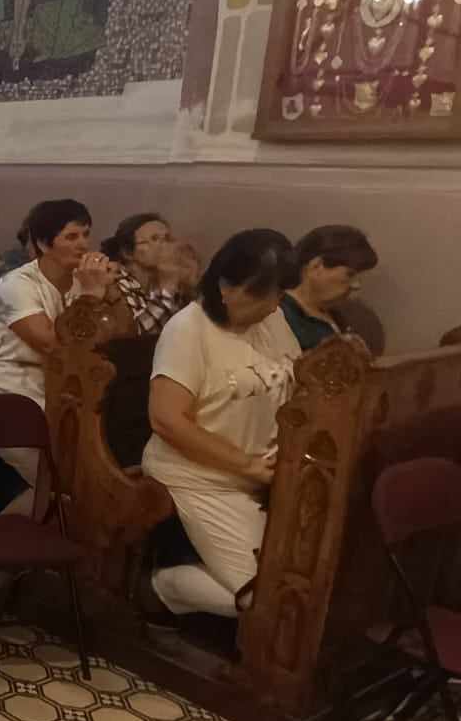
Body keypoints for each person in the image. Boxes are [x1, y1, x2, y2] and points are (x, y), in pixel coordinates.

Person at [144, 231, 299, 618]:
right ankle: (166, 586)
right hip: (202, 478)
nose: (273, 306)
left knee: (301, 582)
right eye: (263, 295)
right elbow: (166, 419)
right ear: (226, 286)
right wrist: (246, 464)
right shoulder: (188, 330)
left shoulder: (274, 319)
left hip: (264, 476)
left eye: (279, 295)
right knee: (267, 602)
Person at [0, 198, 111, 508]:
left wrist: (108, 294)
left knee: (91, 468)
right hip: (10, 397)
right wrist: (91, 298)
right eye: (71, 236)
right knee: (68, 480)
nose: (83, 244)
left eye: (86, 234)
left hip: (63, 397)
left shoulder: (81, 282)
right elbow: (55, 347)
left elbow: (110, 339)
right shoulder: (17, 285)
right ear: (43, 243)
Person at [282, 225, 378, 352]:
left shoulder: (336, 316)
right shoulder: (280, 315)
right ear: (316, 266)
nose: (356, 285)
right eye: (349, 274)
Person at [102, 212, 200, 336]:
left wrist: (190, 284)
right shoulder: (113, 284)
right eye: (154, 239)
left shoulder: (163, 281)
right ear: (127, 252)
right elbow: (135, 336)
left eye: (167, 239)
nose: (164, 245)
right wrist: (167, 287)